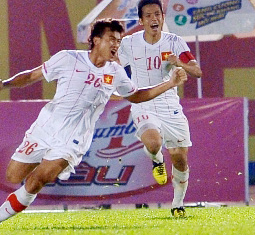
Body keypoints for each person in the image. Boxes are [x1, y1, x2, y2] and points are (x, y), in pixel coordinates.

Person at [0, 19, 187, 222]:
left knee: (37, 181)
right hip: (45, 128)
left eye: (119, 40)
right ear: (96, 40)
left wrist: (169, 83)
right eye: (111, 39)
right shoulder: (67, 58)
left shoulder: (116, 73)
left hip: (74, 139)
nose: (116, 44)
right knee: (13, 176)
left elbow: (136, 96)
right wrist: (4, 84)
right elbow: (31, 76)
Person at [118, 0, 202, 218]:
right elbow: (114, 66)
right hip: (143, 101)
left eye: (158, 14)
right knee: (154, 144)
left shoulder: (174, 42)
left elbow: (197, 71)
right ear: (141, 20)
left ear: (163, 17)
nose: (154, 18)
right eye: (148, 15)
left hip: (169, 105)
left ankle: (177, 203)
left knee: (180, 158)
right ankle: (156, 160)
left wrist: (179, 63)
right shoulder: (129, 43)